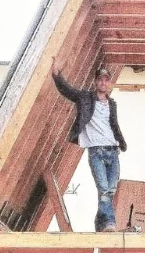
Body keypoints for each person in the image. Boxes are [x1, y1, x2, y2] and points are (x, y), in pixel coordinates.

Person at [51, 61, 126, 232]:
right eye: (100, 79)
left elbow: (114, 125)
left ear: (109, 83)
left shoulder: (112, 104)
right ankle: (110, 223)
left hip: (112, 151)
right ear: (95, 82)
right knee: (104, 189)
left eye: (106, 80)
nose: (103, 83)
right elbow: (67, 91)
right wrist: (56, 75)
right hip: (96, 151)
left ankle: (100, 226)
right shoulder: (85, 98)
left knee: (110, 190)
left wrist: (121, 143)